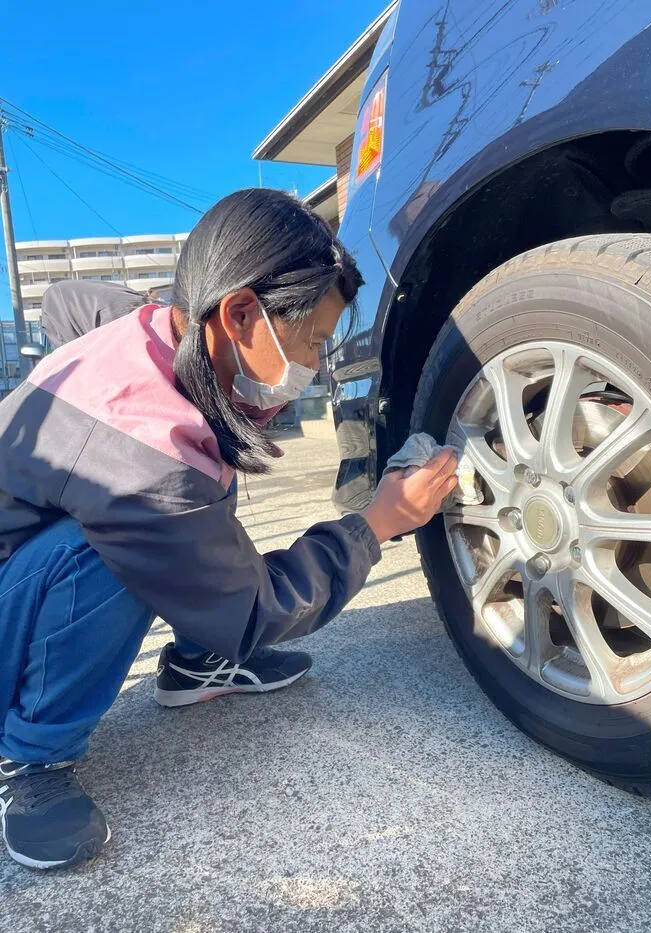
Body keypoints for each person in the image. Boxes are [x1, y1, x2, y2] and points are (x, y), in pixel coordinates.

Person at [0, 188, 457, 871]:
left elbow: (66, 299)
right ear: (240, 311)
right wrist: (380, 520)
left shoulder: (153, 323)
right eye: (312, 342)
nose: (317, 368)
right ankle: (30, 755)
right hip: (31, 578)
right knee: (111, 541)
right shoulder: (143, 458)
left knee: (206, 441)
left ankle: (195, 659)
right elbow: (253, 609)